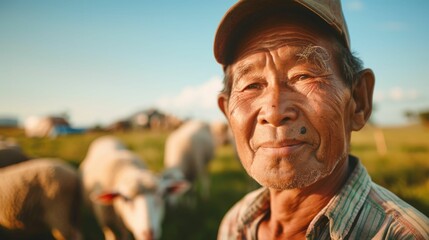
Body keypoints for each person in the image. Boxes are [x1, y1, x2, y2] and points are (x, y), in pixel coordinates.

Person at [213, 0, 429, 239]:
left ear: (358, 101)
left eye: (303, 75)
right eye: (251, 85)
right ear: (227, 114)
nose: (274, 113)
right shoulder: (236, 224)